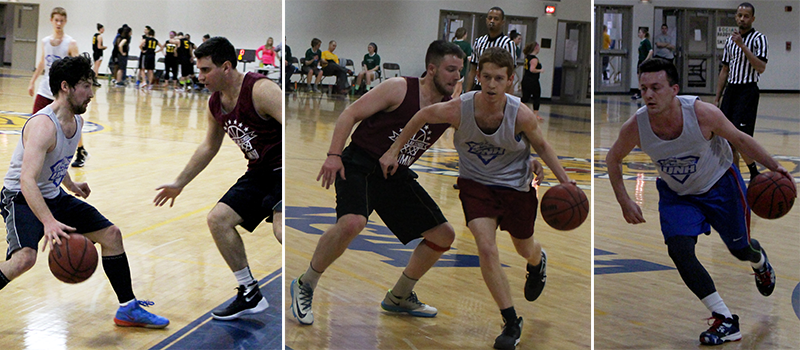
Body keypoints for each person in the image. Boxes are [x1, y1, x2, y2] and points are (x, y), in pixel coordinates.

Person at [380, 47, 570, 350]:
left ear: (510, 80)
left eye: (499, 78)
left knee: (525, 247)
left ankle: (537, 261)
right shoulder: (459, 108)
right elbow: (421, 116)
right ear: (477, 77)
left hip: (516, 187)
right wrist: (393, 150)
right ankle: (510, 320)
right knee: (485, 246)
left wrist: (566, 183)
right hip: (476, 186)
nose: (492, 84)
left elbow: (544, 147)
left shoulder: (520, 113)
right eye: (486, 77)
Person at [605, 58, 794, 346]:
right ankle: (724, 318)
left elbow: (740, 139)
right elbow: (613, 158)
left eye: (656, 87)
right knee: (680, 250)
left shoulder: (702, 113)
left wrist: (775, 167)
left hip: (720, 185)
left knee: (740, 249)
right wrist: (624, 201)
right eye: (644, 88)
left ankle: (759, 261)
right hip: (678, 195)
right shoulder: (637, 125)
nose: (649, 95)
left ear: (674, 89)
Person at [290, 40, 465, 326]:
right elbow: (349, 114)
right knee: (352, 223)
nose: (456, 76)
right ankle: (305, 283)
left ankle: (400, 296)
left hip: (394, 173)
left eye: (460, 70)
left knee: (443, 235)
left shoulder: (450, 107)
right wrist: (334, 155)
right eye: (450, 69)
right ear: (431, 68)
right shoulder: (399, 88)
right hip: (359, 163)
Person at [1, 55, 169, 328]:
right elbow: (27, 181)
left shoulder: (76, 120)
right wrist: (48, 221)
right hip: (20, 197)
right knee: (24, 259)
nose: (91, 93)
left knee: (111, 235)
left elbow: (53, 160)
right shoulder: (43, 125)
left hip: (53, 194)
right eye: (86, 86)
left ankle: (128, 308)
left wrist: (70, 184)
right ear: (65, 86)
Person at [154, 37, 283, 320]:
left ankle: (309, 279)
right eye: (198, 70)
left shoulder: (260, 90)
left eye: (205, 70)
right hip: (258, 173)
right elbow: (209, 147)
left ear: (226, 67)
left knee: (282, 231)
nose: (200, 77)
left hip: (283, 170)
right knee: (218, 220)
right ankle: (250, 292)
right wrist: (179, 183)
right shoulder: (215, 103)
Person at [715, 2, 768, 181]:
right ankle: (734, 177)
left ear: (752, 19)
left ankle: (753, 172)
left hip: (748, 91)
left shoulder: (759, 39)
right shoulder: (730, 40)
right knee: (725, 138)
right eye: (739, 15)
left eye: (746, 16)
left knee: (740, 137)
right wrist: (717, 98)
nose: (742, 19)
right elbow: (725, 69)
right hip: (731, 90)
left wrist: (743, 46)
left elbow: (760, 67)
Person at [466, 7, 516, 93]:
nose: (492, 21)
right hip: (479, 86)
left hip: (498, 87)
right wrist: (467, 92)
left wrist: (508, 97)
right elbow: (473, 69)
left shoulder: (508, 44)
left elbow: (510, 72)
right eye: (490, 18)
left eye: (496, 19)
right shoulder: (479, 41)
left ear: (502, 22)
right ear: (486, 20)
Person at [521, 42, 543, 121]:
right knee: (536, 97)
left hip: (525, 79)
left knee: (525, 97)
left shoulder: (527, 57)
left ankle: (519, 111)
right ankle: (535, 114)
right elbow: (532, 69)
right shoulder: (534, 59)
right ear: (535, 48)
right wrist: (540, 70)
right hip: (533, 81)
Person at [631, 27, 652, 100]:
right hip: (640, 60)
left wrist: (646, 59)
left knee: (641, 76)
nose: (639, 34)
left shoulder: (646, 41)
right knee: (639, 76)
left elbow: (650, 51)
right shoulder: (642, 42)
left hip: (643, 61)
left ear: (644, 33)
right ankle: (640, 91)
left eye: (640, 32)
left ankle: (641, 92)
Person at [452, 27, 472, 97]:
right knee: (458, 90)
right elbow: (470, 58)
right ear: (465, 35)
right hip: (461, 70)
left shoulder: (452, 44)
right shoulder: (466, 45)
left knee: (453, 89)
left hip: (451, 68)